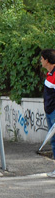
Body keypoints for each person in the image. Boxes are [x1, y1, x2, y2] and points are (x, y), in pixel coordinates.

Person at [40, 49, 55, 177]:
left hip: (54, 112)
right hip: (49, 111)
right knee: (53, 140)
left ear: (47, 60)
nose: (40, 61)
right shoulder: (49, 74)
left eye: (42, 58)